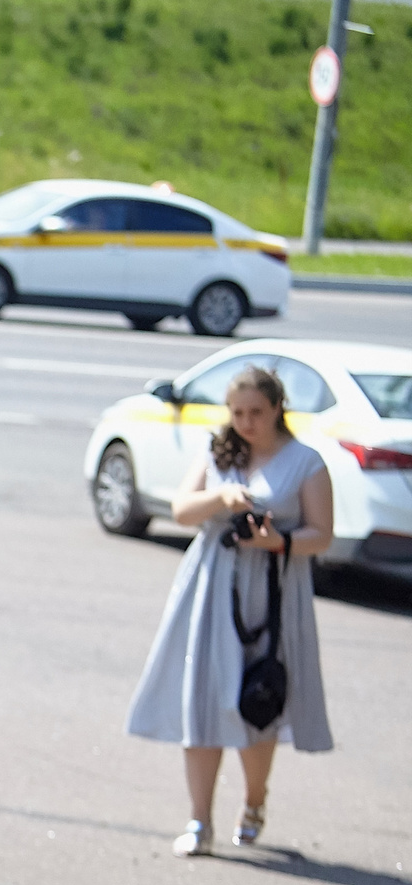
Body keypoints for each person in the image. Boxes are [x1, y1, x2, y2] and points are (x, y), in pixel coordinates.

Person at [125, 363, 334, 855]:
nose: (245, 422)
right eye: (237, 413)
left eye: (255, 412)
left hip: (273, 591)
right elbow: (182, 510)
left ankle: (255, 800)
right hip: (212, 585)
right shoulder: (218, 451)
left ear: (278, 407)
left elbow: (322, 535)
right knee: (202, 697)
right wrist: (220, 495)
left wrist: (277, 540)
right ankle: (200, 821)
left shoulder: (306, 461)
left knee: (259, 698)